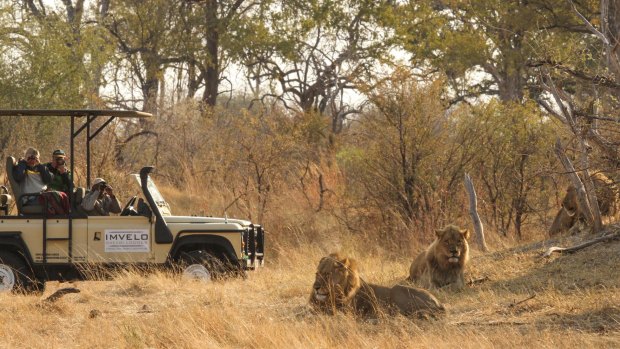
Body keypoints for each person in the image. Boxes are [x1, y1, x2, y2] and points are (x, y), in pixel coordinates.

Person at [13, 147, 69, 214]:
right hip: (30, 198)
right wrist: (24, 162)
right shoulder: (21, 167)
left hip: (41, 196)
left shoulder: (40, 168)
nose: (32, 160)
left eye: (34, 158)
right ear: (25, 157)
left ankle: (65, 217)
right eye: (29, 157)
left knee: (62, 195)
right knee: (53, 196)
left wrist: (39, 165)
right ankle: (63, 218)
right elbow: (18, 177)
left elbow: (48, 180)